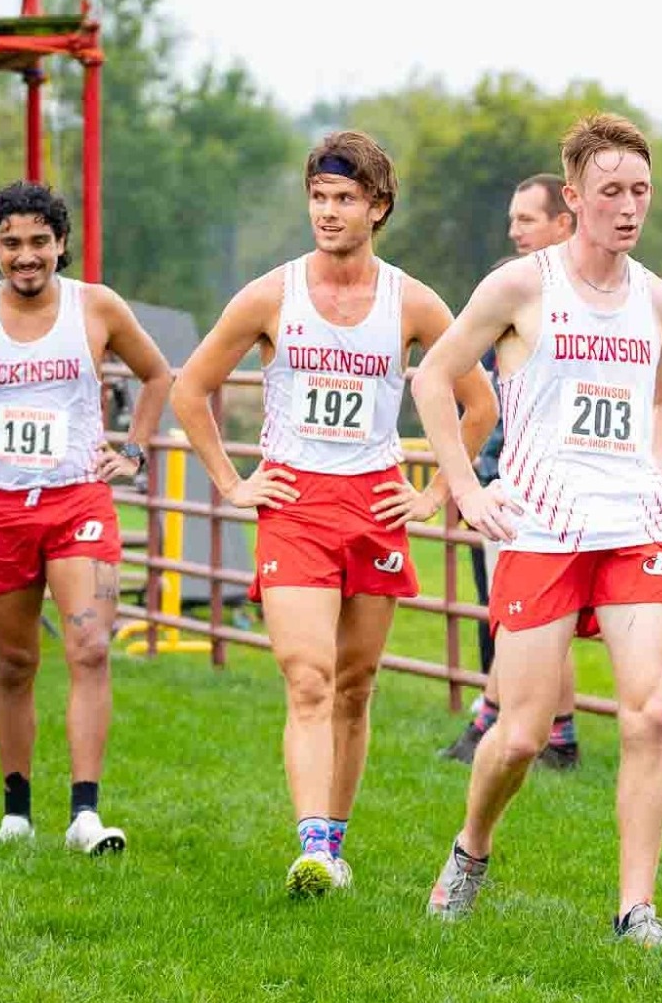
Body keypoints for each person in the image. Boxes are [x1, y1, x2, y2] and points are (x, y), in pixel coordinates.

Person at [170, 131, 495, 897]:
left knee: (355, 684)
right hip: (293, 502)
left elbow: (477, 403)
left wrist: (434, 491)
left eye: (345, 198)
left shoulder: (411, 301)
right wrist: (230, 481)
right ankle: (312, 845)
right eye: (318, 197)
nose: (328, 211)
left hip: (374, 504)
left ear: (378, 206)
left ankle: (336, 844)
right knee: (308, 678)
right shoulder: (268, 295)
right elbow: (191, 389)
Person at [414, 113, 662, 945]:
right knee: (523, 733)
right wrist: (466, 485)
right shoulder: (521, 287)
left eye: (640, 191)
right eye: (610, 191)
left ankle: (635, 908)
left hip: (633, 523)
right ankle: (470, 849)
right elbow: (433, 376)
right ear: (573, 198)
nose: (629, 207)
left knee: (650, 713)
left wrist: (657, 470)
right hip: (540, 528)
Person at [0, 180, 172, 853]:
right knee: (15, 661)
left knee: (91, 647)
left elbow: (159, 374)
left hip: (78, 500)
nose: (26, 255)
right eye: (12, 243)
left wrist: (133, 450)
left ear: (61, 244)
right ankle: (16, 811)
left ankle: (85, 814)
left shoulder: (96, 307)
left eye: (39, 242)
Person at [439, 174, 583, 768]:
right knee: (516, 607)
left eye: (526, 219)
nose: (515, 230)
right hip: (507, 474)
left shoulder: (578, 300)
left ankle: (545, 733)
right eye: (513, 219)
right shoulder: (517, 288)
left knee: (537, 609)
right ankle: (502, 722)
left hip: (544, 482)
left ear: (563, 221)